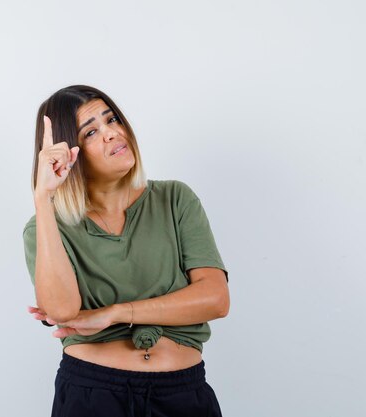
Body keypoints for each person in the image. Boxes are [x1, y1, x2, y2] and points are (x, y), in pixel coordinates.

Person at [22, 85, 230, 417]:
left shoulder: (174, 199)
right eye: (90, 132)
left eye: (112, 119)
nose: (111, 133)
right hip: (94, 396)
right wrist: (43, 198)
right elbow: (61, 311)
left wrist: (115, 313)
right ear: (69, 152)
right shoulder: (46, 228)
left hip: (182, 394)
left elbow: (216, 300)